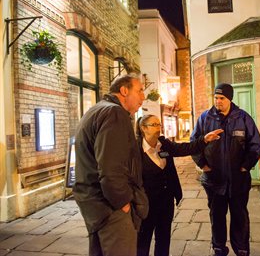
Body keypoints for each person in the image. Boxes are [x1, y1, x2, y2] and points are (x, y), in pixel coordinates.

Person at [73, 73, 148, 256]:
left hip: (96, 204)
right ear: (124, 91)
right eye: (139, 91)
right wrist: (123, 202)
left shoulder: (98, 110)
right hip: (110, 208)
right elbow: (110, 168)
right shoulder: (114, 113)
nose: (143, 97)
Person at [190, 83, 260, 256]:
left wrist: (246, 166)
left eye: (222, 98)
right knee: (217, 217)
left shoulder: (243, 118)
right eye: (216, 97)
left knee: (240, 216)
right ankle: (219, 248)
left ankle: (242, 249)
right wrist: (203, 165)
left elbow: (255, 145)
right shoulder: (205, 118)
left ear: (230, 99)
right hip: (214, 180)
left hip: (238, 180)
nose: (218, 101)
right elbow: (194, 143)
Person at [135, 114, 223, 256]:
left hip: (166, 202)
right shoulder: (135, 150)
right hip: (146, 204)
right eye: (154, 125)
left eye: (159, 124)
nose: (159, 127)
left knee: (163, 239)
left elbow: (185, 148)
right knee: (142, 241)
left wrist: (205, 139)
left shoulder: (164, 144)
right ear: (143, 128)